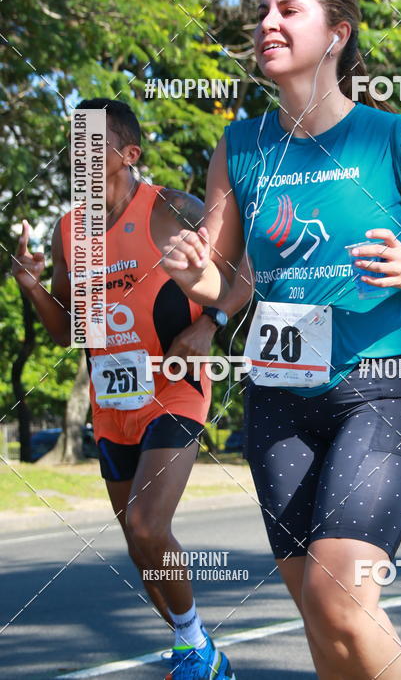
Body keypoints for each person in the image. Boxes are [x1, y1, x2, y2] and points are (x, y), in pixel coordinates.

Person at [161, 0, 401, 679]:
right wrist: (195, 275)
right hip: (280, 390)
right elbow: (233, 282)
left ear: (337, 33)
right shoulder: (238, 147)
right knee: (316, 606)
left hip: (385, 381)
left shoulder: (390, 137)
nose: (266, 24)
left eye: (287, 10)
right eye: (261, 13)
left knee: (342, 596)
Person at [11, 98, 249, 680]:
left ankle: (195, 646)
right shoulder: (70, 229)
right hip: (112, 404)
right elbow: (70, 327)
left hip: (174, 387)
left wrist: (209, 324)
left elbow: (247, 266)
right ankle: (196, 650)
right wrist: (31, 287)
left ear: (127, 154)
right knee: (141, 548)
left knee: (146, 523)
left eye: (89, 142)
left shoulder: (170, 208)